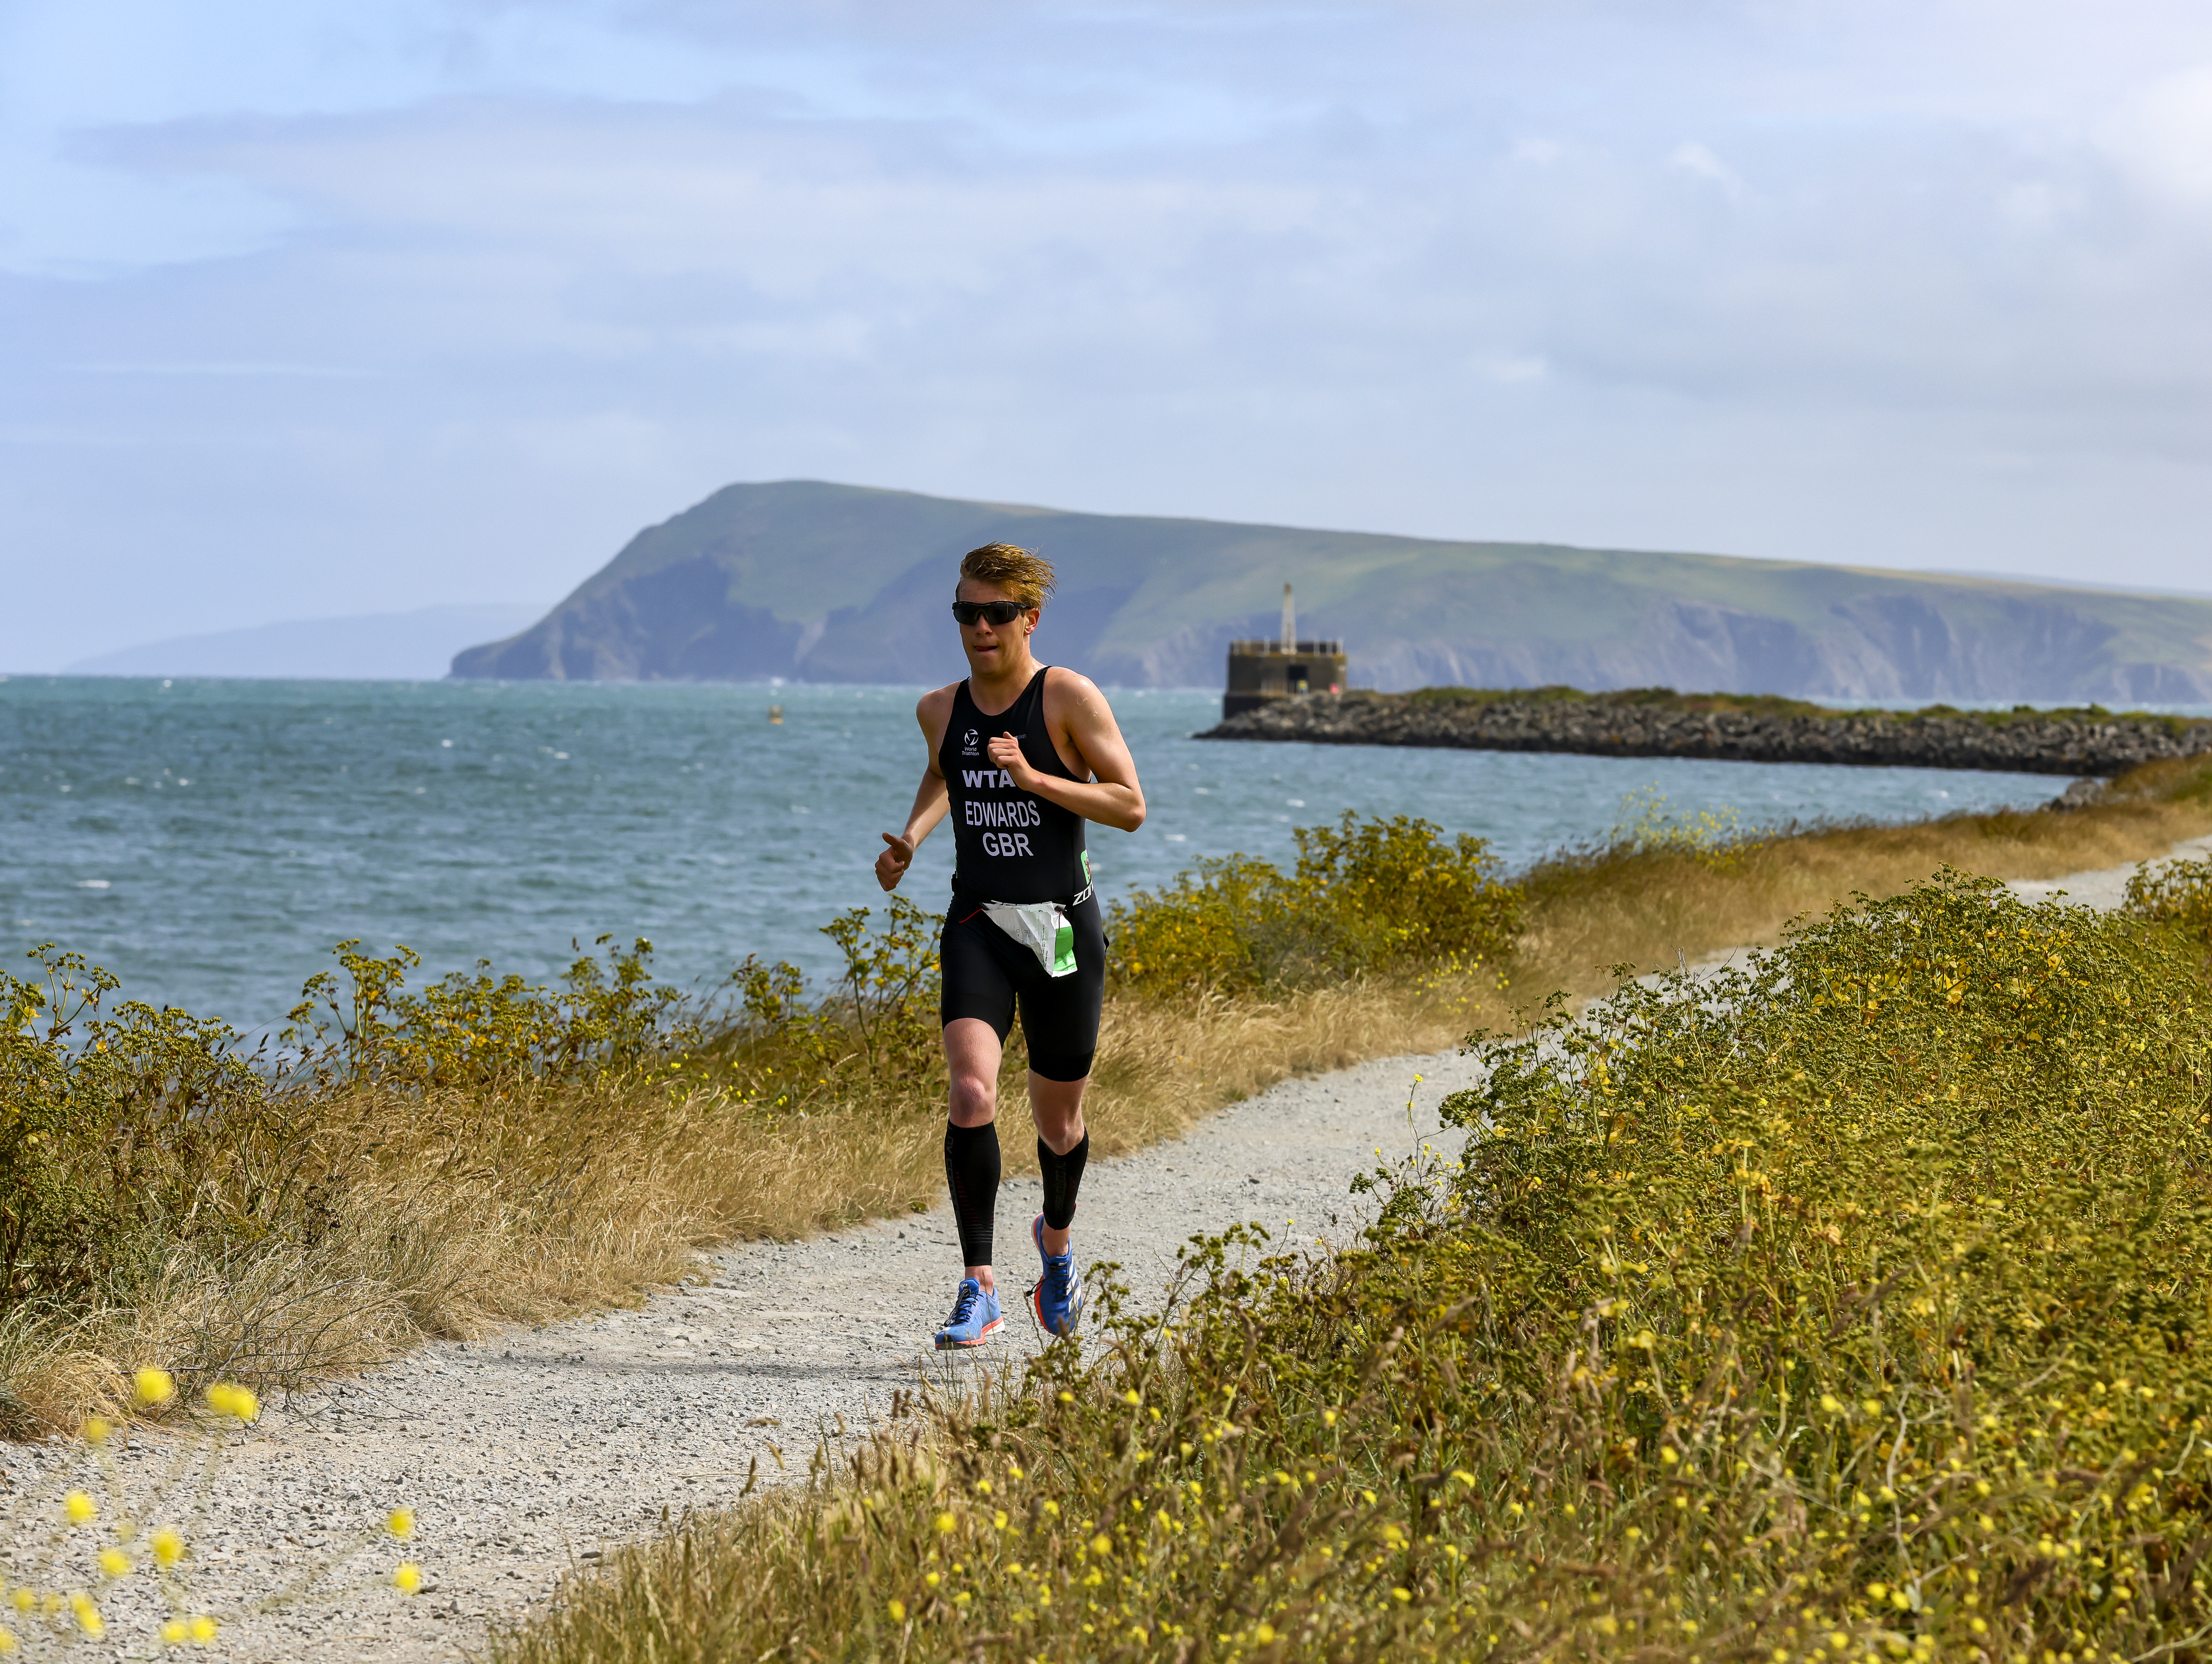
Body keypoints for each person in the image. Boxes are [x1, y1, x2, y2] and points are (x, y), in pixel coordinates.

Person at [875, 543, 1145, 1349]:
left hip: (1062, 931)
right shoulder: (938, 707)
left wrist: (1034, 780)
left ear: (1031, 618)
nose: (981, 627)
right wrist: (914, 841)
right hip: (979, 924)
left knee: (1059, 1126)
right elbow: (944, 769)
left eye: (997, 613)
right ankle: (979, 1285)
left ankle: (1054, 1250)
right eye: (967, 612)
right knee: (970, 1096)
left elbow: (1129, 804)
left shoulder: (1066, 696)